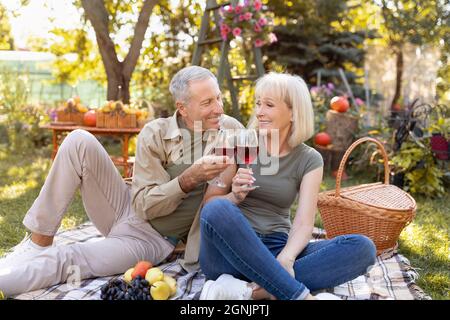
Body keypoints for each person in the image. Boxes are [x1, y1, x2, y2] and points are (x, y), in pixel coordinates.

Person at [0, 66, 243, 297]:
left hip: (150, 239)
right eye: (207, 102)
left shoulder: (231, 131)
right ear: (183, 108)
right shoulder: (155, 132)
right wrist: (188, 179)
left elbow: (262, 169)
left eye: (219, 98)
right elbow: (144, 205)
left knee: (68, 258)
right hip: (125, 206)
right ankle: (39, 243)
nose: (219, 108)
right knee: (78, 140)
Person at [198, 72, 377, 300]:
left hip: (276, 247)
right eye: (258, 104)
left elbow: (303, 222)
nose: (259, 112)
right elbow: (209, 207)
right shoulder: (236, 142)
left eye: (269, 105)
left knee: (362, 248)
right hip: (229, 253)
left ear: (293, 112)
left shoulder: (310, 159)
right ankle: (298, 295)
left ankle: (252, 292)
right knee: (218, 209)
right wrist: (235, 196)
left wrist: (287, 258)